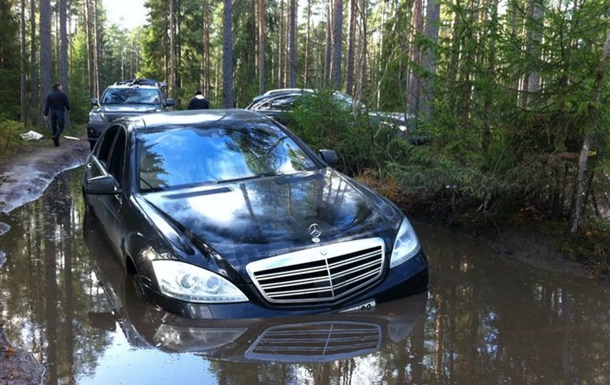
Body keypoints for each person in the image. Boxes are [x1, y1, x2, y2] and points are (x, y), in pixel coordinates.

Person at [44, 82, 71, 147]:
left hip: (53, 112)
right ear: (58, 87)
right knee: (61, 126)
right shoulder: (62, 94)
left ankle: (56, 143)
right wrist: (68, 109)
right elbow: (66, 102)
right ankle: (56, 136)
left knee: (54, 126)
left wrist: (46, 114)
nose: (62, 87)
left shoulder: (50, 95)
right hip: (60, 111)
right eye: (61, 86)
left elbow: (47, 105)